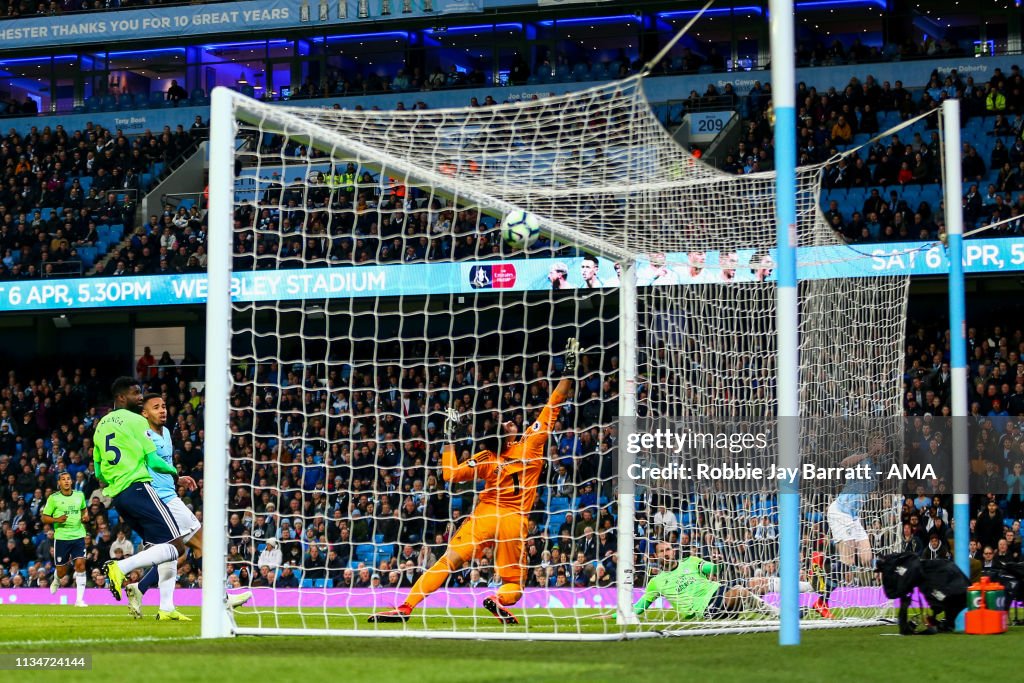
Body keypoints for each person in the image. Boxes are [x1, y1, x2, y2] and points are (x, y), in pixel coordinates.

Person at [370, 339, 580, 625]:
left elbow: (450, 475)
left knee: (448, 561)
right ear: (508, 435)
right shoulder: (530, 443)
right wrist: (568, 370)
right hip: (513, 520)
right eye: (506, 424)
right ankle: (496, 599)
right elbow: (553, 404)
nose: (509, 422)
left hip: (483, 517)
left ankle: (406, 606)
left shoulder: (485, 457)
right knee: (514, 585)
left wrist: (448, 440)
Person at [124, 394, 252, 619]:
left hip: (168, 493)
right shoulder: (141, 435)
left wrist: (177, 478)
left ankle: (152, 598)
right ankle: (222, 597)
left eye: (164, 406)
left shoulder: (165, 432)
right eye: (155, 408)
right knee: (203, 544)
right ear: (144, 414)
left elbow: (164, 465)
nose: (162, 410)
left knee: (174, 554)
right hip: (160, 499)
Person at [92, 377, 186, 614]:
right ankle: (120, 568)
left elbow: (98, 470)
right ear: (121, 397)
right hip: (139, 488)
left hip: (119, 497)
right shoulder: (136, 420)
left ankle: (165, 608)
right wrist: (176, 474)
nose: (140, 397)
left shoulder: (101, 424)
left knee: (162, 548)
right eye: (136, 393)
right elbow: (154, 460)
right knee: (177, 546)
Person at [632, 542, 782, 620]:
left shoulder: (690, 561)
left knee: (758, 582)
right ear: (656, 556)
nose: (666, 554)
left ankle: (806, 586)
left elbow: (714, 569)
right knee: (741, 592)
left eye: (668, 550)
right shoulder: (656, 581)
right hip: (707, 606)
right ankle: (781, 614)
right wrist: (618, 615)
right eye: (661, 551)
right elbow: (640, 606)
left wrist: (720, 564)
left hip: (721, 589)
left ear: (674, 551)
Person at [827, 435, 884, 585]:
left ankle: (878, 579)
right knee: (849, 559)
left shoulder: (880, 465)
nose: (878, 447)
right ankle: (825, 585)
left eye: (881, 445)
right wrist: (867, 454)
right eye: (876, 443)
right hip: (840, 511)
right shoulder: (861, 458)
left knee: (867, 557)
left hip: (853, 516)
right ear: (870, 446)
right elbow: (844, 463)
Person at [41, 471, 89, 607]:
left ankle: (79, 600)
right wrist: (56, 519)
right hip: (62, 538)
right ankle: (56, 579)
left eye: (68, 479)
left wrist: (86, 516)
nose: (67, 481)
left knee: (80, 564)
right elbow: (44, 517)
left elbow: (84, 510)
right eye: (63, 479)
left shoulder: (80, 495)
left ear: (71, 482)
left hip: (78, 536)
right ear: (59, 483)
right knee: (62, 571)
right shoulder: (53, 498)